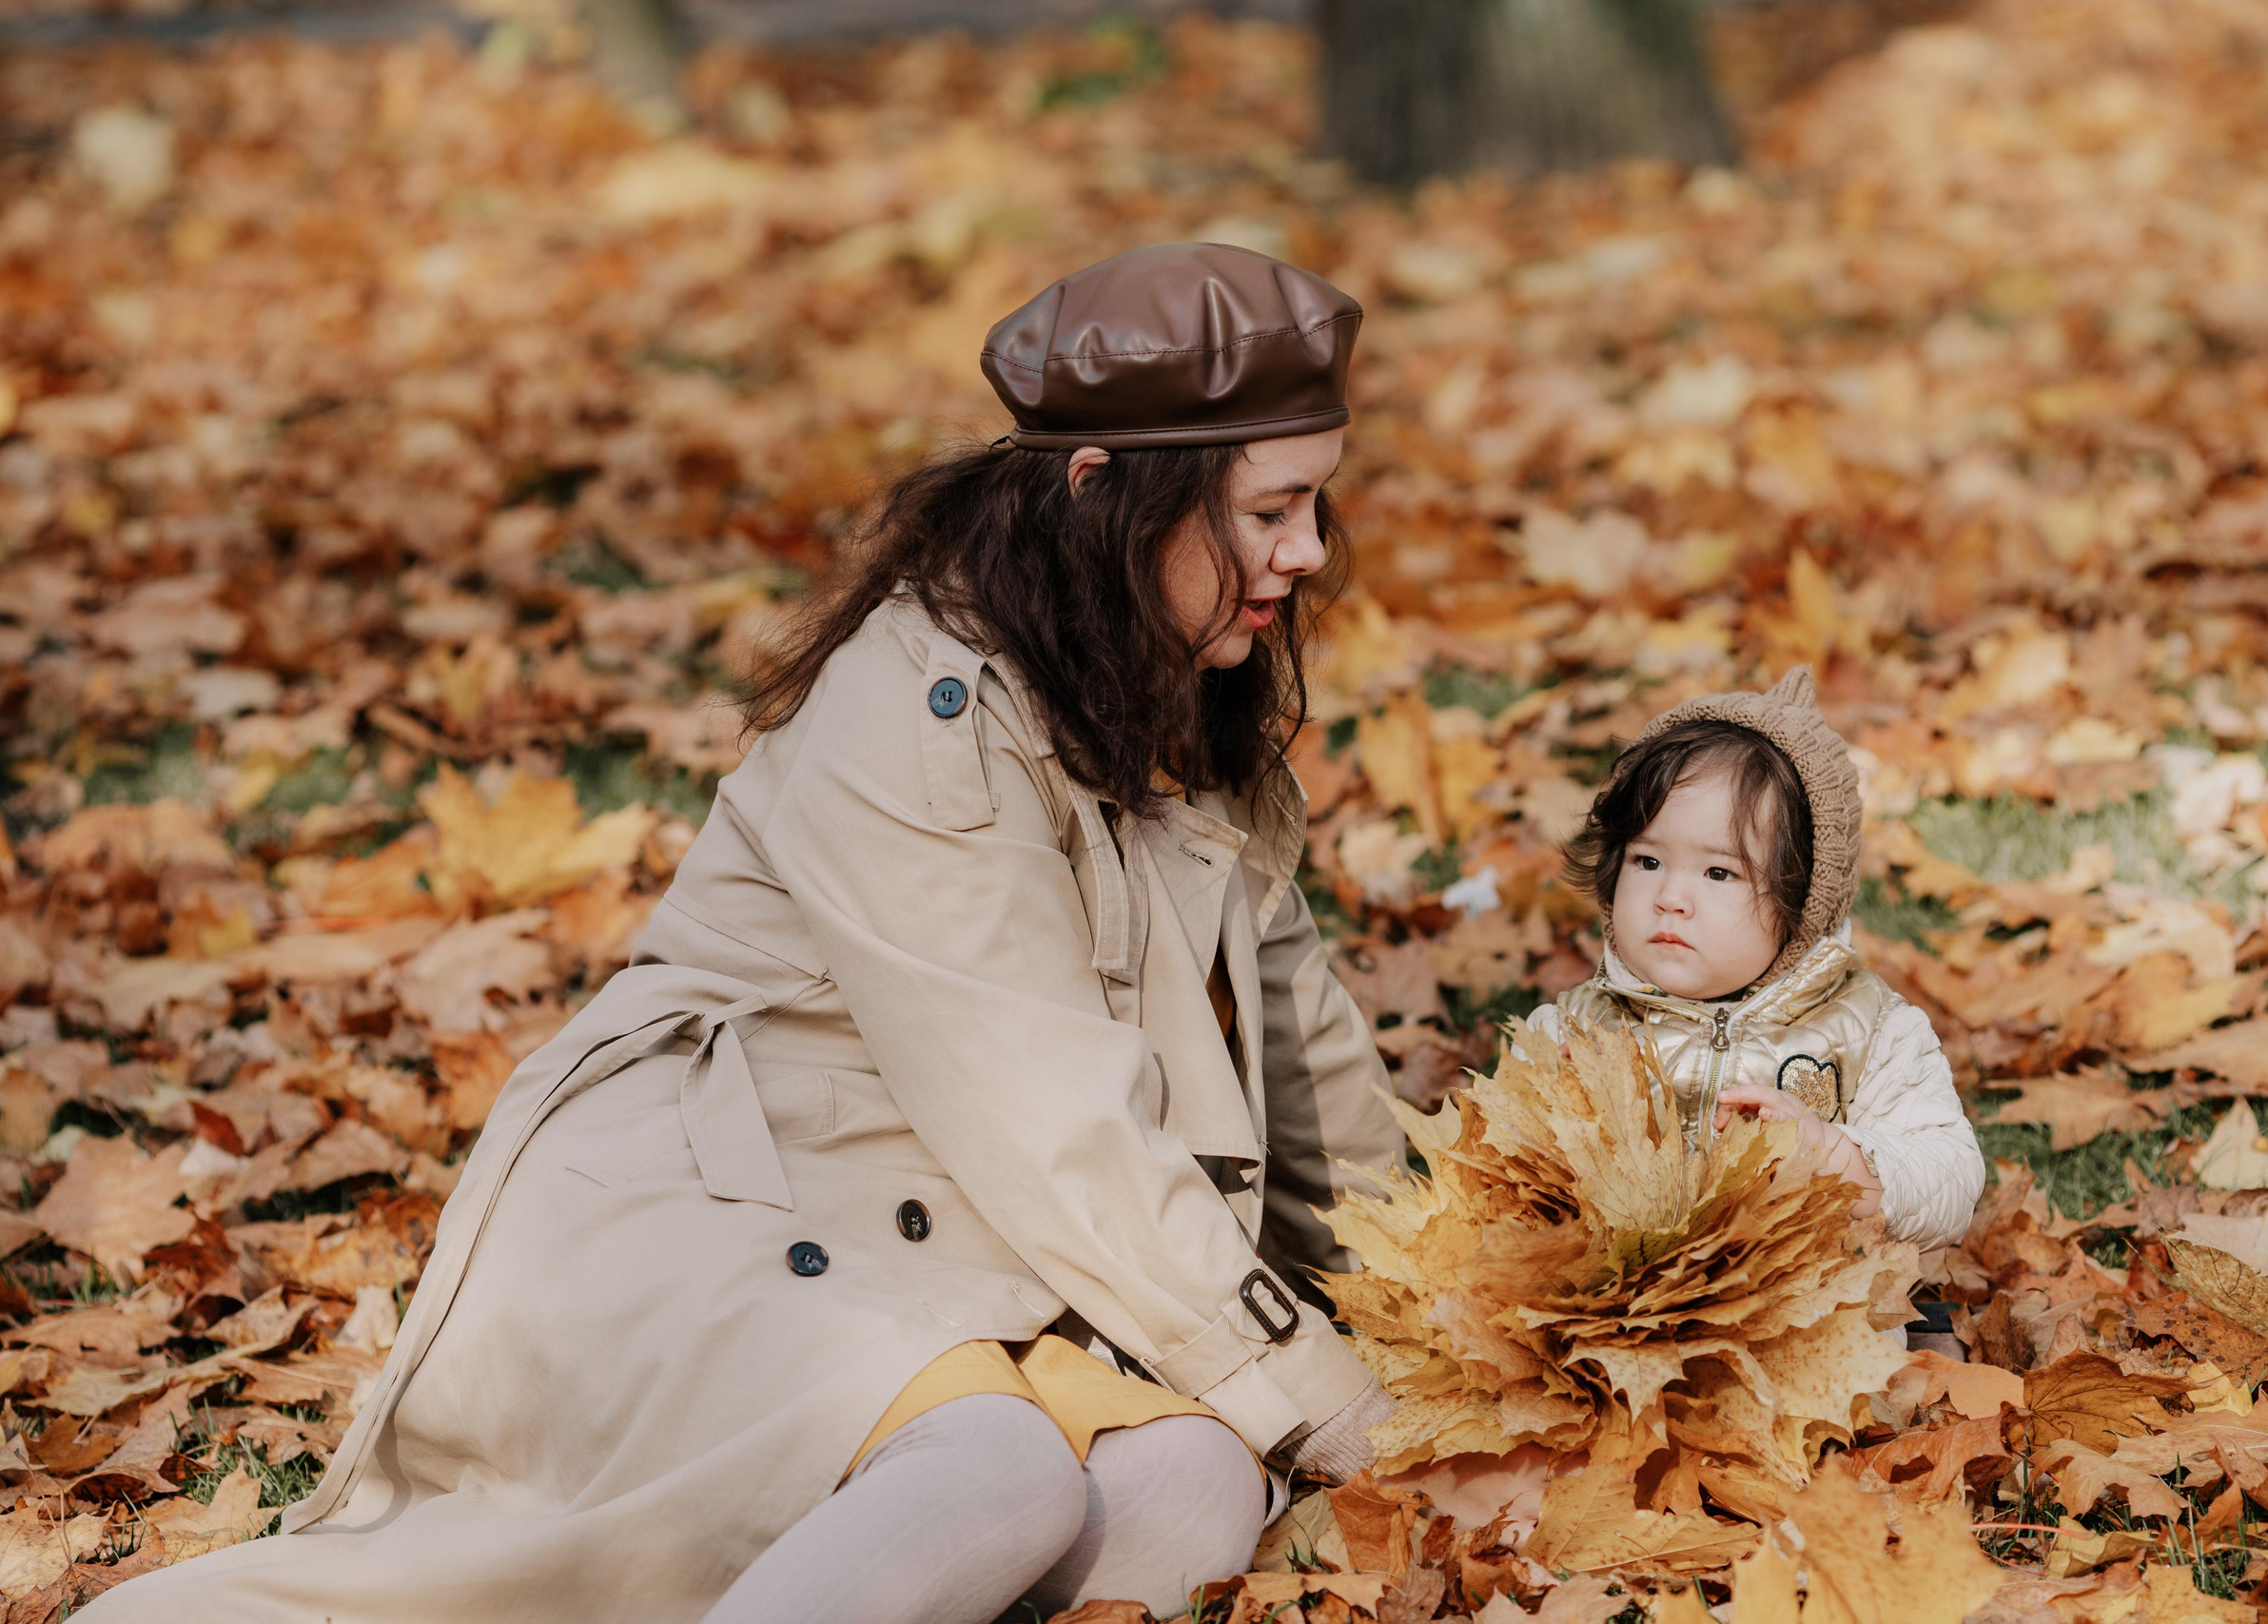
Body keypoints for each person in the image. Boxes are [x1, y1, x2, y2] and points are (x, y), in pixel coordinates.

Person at [87, 243, 1404, 1624]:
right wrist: (1334, 1403)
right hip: (720, 1211)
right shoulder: (929, 710)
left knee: (1199, 1482)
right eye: (1272, 510)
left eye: (1314, 503)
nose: (1306, 551)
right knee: (1001, 1476)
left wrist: (1449, 1336)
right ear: (1105, 496)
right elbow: (1051, 1122)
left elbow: (1318, 1088)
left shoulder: (1181, 690)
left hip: (947, 1256)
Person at [1525, 666, 1982, 1247]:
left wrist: (1832, 1156)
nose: (1670, 898)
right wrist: (1549, 1124)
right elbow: (1495, 1179)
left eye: (1718, 872)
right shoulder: (1570, 1029)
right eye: (1647, 861)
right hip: (1621, 1310)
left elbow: (1950, 1182)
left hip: (1807, 1313)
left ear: (1804, 898)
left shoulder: (1875, 1033)